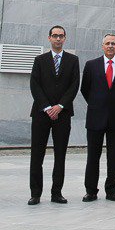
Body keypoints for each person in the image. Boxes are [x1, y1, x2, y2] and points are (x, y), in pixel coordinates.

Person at [28, 25, 80, 205]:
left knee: (60, 154)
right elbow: (35, 85)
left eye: (61, 36)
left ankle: (56, 192)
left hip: (63, 114)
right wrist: (47, 107)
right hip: (41, 114)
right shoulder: (40, 60)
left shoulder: (73, 60)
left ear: (65, 38)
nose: (58, 39)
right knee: (37, 154)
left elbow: (74, 85)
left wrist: (59, 106)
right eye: (55, 36)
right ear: (49, 38)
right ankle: (35, 193)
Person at [80, 33, 115, 202]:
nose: (110, 46)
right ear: (102, 46)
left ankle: (111, 190)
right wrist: (97, 104)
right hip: (95, 117)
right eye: (107, 43)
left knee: (114, 156)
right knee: (93, 156)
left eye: (113, 44)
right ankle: (91, 190)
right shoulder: (91, 65)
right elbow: (85, 89)